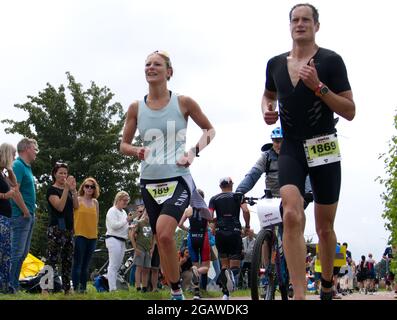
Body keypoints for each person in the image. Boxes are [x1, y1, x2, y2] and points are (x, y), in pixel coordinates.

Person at [262, 3, 355, 300]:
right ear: (289, 25)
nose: (300, 24)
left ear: (316, 25)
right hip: (291, 147)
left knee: (324, 227)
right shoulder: (275, 64)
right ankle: (299, 293)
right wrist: (267, 109)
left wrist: (320, 88)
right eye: (295, 20)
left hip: (323, 144)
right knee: (290, 213)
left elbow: (350, 110)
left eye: (306, 20)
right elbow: (268, 94)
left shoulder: (331, 61)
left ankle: (327, 284)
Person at [120, 50, 215, 300]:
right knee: (162, 241)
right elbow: (123, 145)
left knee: (163, 233)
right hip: (149, 182)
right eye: (147, 64)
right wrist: (136, 150)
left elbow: (209, 130)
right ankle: (176, 291)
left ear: (169, 72)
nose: (151, 68)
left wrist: (193, 152)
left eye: (157, 64)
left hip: (177, 179)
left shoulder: (183, 103)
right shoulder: (136, 107)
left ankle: (176, 290)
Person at [209, 177, 250, 300]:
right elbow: (246, 211)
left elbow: (210, 217)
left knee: (224, 266)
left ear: (220, 186)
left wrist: (216, 222)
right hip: (235, 231)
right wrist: (247, 226)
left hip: (220, 232)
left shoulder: (214, 199)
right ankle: (232, 277)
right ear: (231, 184)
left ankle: (226, 294)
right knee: (235, 267)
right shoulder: (238, 196)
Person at [9, 138, 39, 293]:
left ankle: (14, 284)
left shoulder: (27, 167)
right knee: (17, 252)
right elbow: (14, 192)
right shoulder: (18, 166)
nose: (36, 152)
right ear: (27, 148)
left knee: (23, 253)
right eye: (35, 148)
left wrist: (32, 210)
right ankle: (11, 286)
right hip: (20, 216)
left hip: (28, 215)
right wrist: (25, 211)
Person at [44, 162, 79, 294]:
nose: (64, 175)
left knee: (67, 260)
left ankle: (67, 288)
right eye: (61, 173)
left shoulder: (69, 190)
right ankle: (45, 288)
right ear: (55, 174)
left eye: (65, 173)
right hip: (56, 228)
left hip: (69, 229)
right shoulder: (51, 190)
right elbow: (59, 207)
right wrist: (65, 189)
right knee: (51, 259)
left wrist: (74, 190)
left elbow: (76, 206)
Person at [178, 189, 210, 299]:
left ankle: (196, 292)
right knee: (205, 266)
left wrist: (189, 230)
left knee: (195, 265)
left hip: (192, 237)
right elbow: (211, 223)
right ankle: (197, 276)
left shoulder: (188, 210)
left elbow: (180, 224)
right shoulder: (206, 210)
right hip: (203, 237)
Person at [72, 177, 100, 293]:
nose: (89, 188)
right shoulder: (77, 199)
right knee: (78, 263)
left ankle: (83, 288)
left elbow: (97, 219)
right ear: (83, 187)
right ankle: (76, 287)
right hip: (79, 235)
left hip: (92, 236)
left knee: (86, 264)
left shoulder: (95, 202)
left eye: (92, 187)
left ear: (95, 189)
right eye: (87, 186)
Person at [236, 127, 283, 197]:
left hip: (294, 199)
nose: (280, 145)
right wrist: (240, 191)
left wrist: (305, 195)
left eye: (283, 142)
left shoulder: (295, 156)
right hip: (273, 200)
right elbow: (253, 175)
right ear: (272, 141)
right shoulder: (266, 157)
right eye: (277, 141)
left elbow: (305, 174)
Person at [0, 143, 21, 294]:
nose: (14, 158)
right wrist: (4, 196)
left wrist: (10, 169)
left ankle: (5, 286)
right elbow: (9, 192)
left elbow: (14, 184)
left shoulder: (3, 173)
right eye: (13, 155)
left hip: (6, 217)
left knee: (6, 253)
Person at [105, 191, 133, 291]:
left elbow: (124, 226)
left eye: (127, 201)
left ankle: (114, 287)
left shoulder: (124, 212)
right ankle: (112, 288)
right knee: (113, 265)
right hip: (113, 239)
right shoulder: (112, 211)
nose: (126, 203)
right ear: (118, 199)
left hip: (122, 240)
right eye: (124, 200)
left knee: (117, 265)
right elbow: (114, 226)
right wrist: (126, 220)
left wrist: (130, 226)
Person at [130, 209, 153, 293]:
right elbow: (132, 235)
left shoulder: (152, 224)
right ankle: (138, 287)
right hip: (140, 247)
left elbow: (154, 236)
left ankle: (144, 287)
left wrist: (152, 248)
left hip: (148, 249)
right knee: (139, 267)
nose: (148, 214)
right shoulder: (139, 222)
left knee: (146, 268)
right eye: (147, 213)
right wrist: (135, 248)